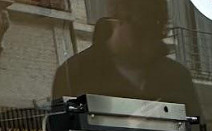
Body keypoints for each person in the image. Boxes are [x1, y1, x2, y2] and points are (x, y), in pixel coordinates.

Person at [52, 0, 200, 118]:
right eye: (140, 27)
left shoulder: (177, 76)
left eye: (156, 28)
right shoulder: (75, 73)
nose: (147, 39)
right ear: (117, 17)